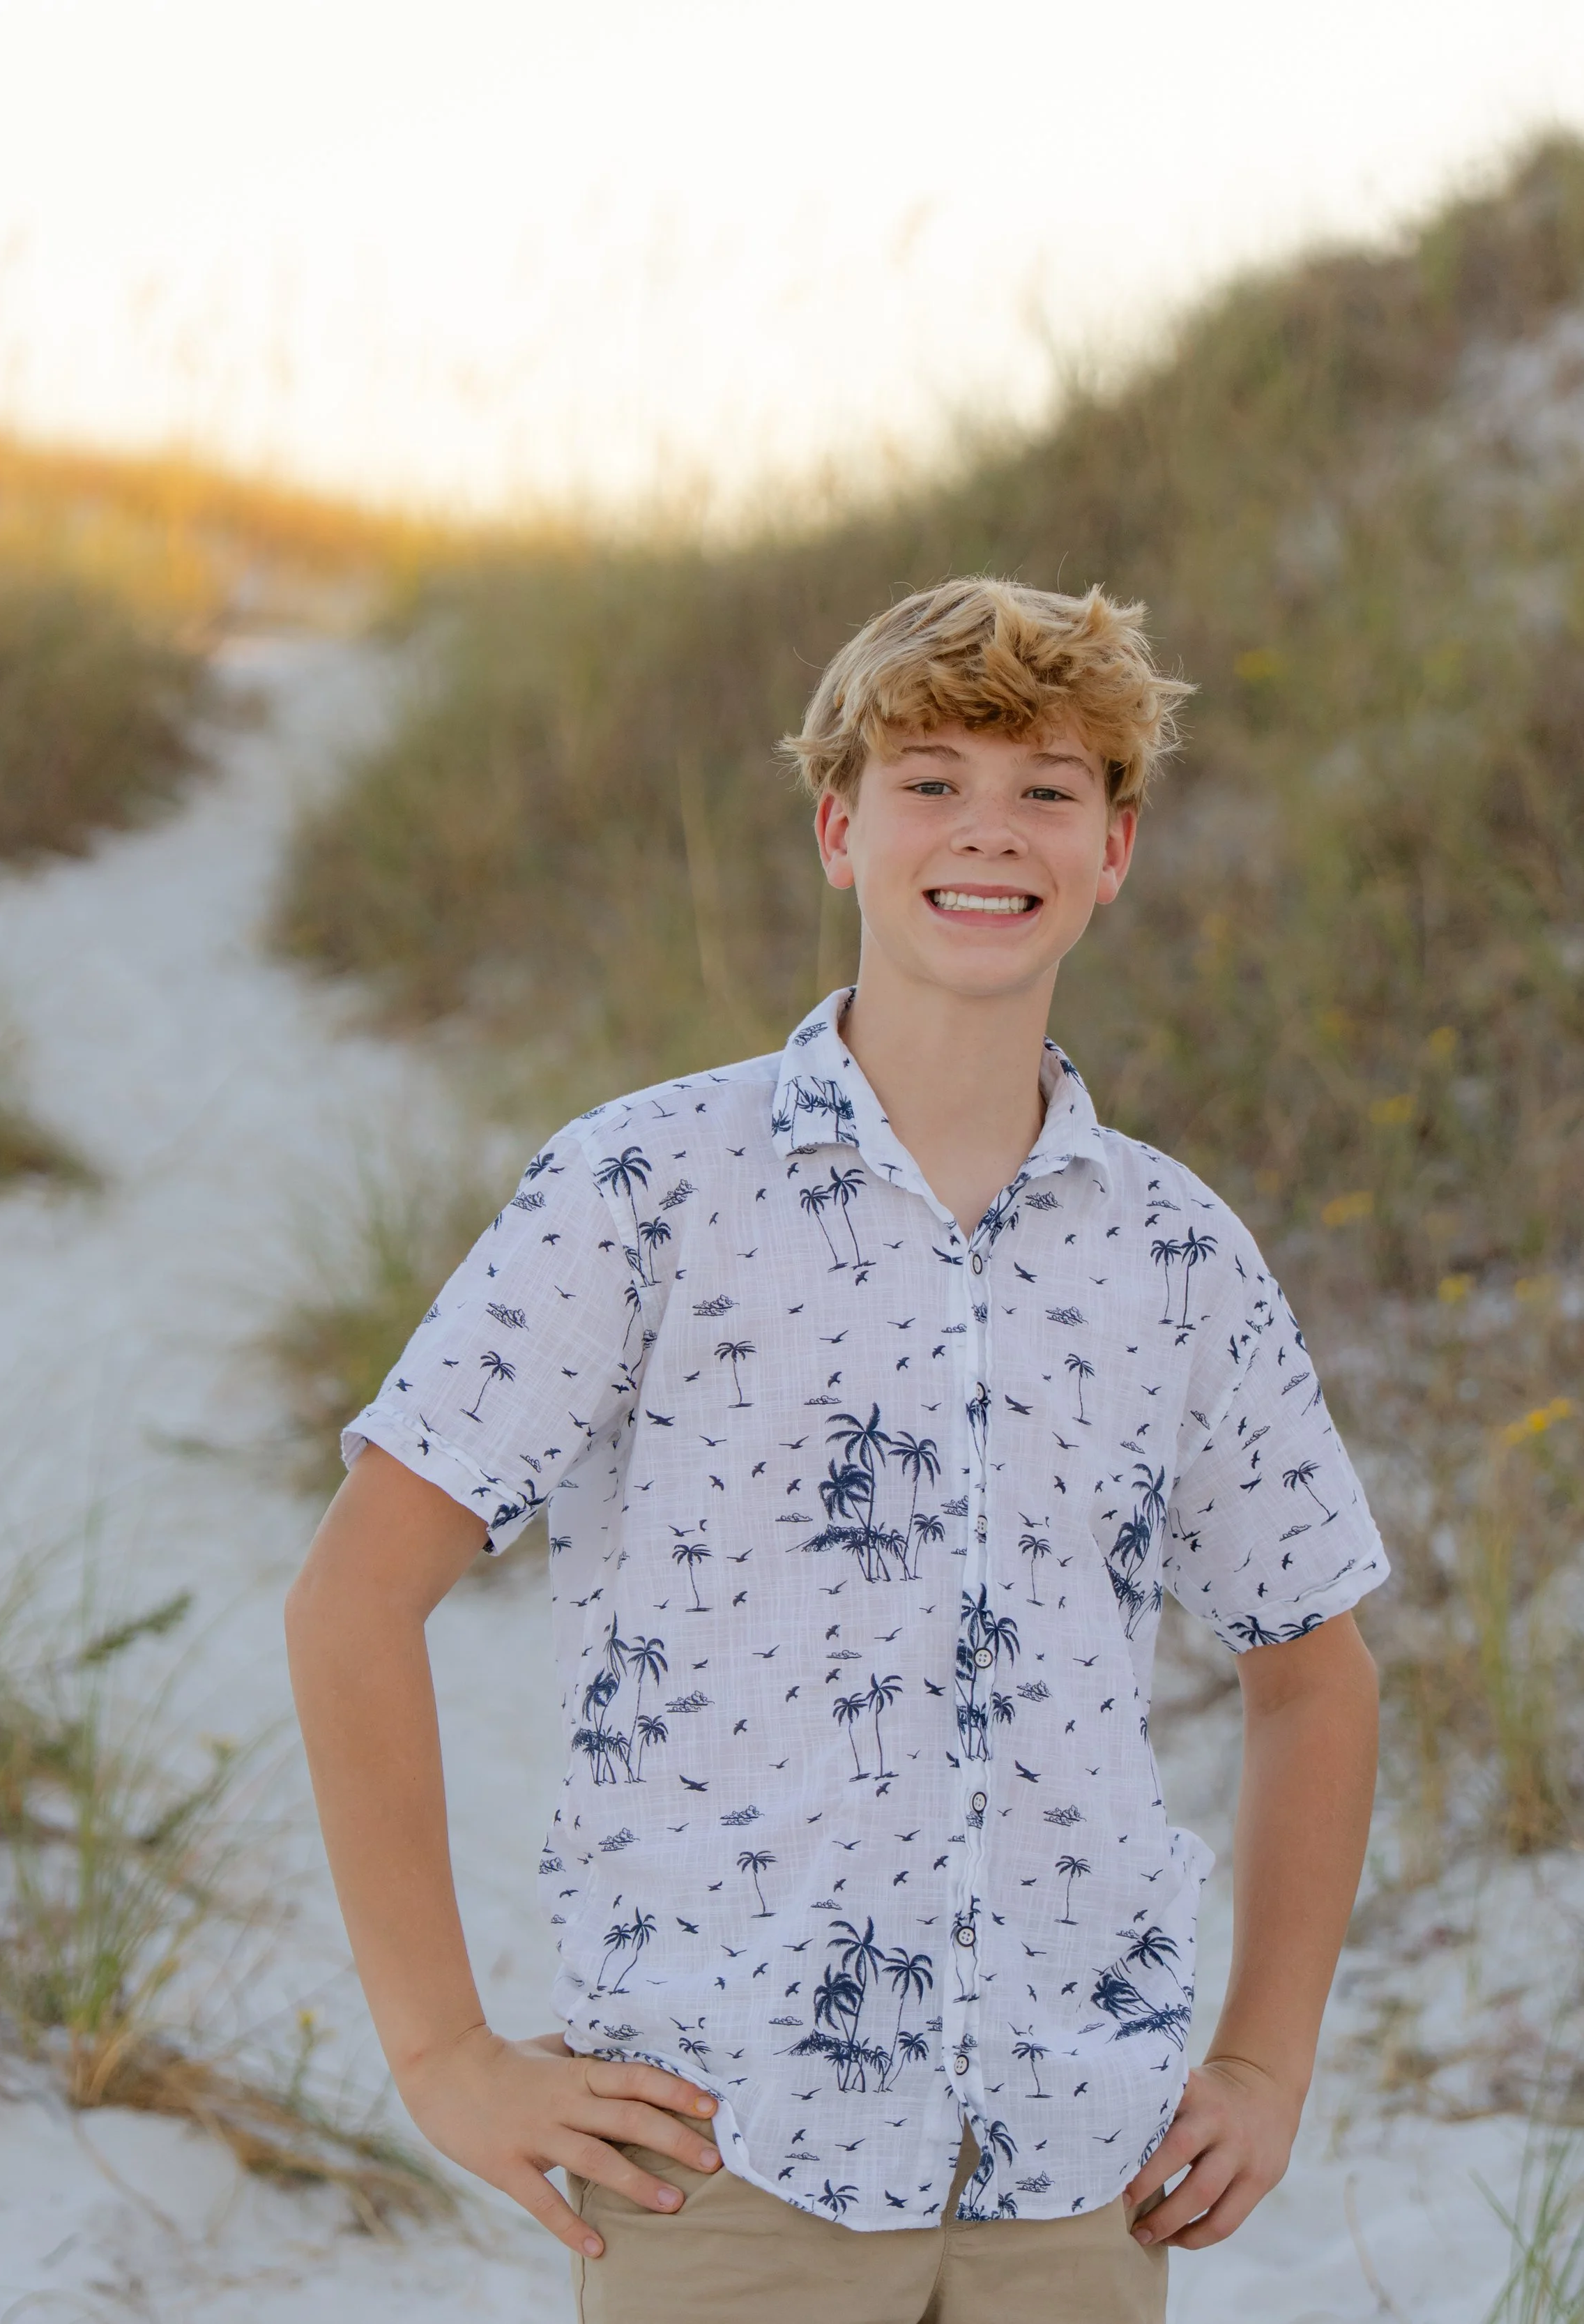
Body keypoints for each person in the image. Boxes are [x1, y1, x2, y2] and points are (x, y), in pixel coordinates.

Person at [285, 577, 1385, 2324]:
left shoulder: (1177, 1255)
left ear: (1113, 850)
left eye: (1047, 789)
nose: (986, 832)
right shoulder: (641, 1188)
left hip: (1074, 2176)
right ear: (835, 826)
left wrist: (1261, 2060)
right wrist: (440, 2048)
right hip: (726, 2157)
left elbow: (1311, 1674)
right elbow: (354, 1595)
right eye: (930, 780)